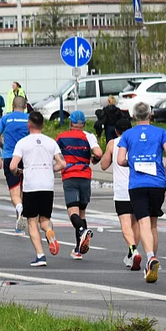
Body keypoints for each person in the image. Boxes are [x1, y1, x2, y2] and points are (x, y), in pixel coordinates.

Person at [116, 102, 166, 282]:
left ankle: (150, 258)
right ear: (151, 115)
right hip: (158, 183)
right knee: (153, 224)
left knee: (143, 223)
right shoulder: (162, 133)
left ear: (133, 116)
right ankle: (151, 260)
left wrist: (131, 162)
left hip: (137, 184)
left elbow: (120, 159)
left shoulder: (127, 135)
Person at [10, 112, 65, 267]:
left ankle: (41, 256)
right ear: (43, 125)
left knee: (32, 221)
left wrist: (18, 172)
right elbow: (63, 163)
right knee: (45, 220)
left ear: (29, 125)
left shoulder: (22, 143)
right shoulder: (51, 142)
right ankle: (49, 232)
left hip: (31, 185)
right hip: (47, 185)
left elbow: (13, 166)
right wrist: (50, 169)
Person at [55, 110, 103, 260]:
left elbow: (54, 153)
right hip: (85, 176)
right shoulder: (89, 136)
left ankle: (82, 231)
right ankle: (78, 249)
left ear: (71, 123)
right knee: (82, 212)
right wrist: (94, 160)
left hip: (70, 175)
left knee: (72, 212)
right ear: (83, 123)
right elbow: (99, 153)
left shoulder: (62, 137)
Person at [101, 117, 141, 270]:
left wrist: (109, 151)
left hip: (121, 189)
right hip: (138, 186)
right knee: (137, 222)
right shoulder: (137, 141)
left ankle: (133, 250)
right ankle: (132, 253)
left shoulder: (113, 143)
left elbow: (104, 165)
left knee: (125, 223)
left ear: (116, 131)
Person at [0, 96, 31, 230]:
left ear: (12, 106)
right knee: (25, 190)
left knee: (15, 192)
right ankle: (20, 222)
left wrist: (3, 146)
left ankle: (20, 212)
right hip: (27, 158)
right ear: (25, 106)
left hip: (10, 157)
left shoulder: (6, 119)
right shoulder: (29, 119)